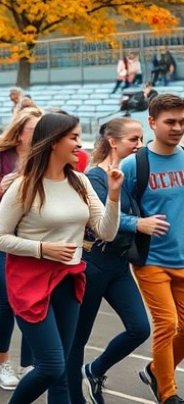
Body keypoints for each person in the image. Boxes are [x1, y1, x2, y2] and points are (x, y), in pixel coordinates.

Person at [0, 111, 121, 404]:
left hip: (69, 279)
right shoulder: (23, 186)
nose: (80, 144)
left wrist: (114, 195)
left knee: (61, 375)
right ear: (53, 142)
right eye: (74, 137)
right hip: (30, 284)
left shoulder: (80, 182)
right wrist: (42, 248)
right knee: (51, 367)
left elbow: (106, 232)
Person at [67, 117, 152, 404]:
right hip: (94, 264)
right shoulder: (95, 178)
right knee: (77, 339)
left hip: (118, 266)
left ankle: (95, 370)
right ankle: (73, 397)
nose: (139, 145)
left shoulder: (127, 173)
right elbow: (105, 221)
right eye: (134, 140)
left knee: (140, 328)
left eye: (141, 139)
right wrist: (139, 224)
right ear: (113, 142)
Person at [120, 94, 184, 404]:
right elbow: (107, 215)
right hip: (151, 260)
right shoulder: (133, 165)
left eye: (182, 122)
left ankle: (157, 369)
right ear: (152, 122)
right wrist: (137, 224)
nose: (177, 128)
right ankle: (167, 393)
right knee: (167, 322)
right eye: (170, 122)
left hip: (183, 259)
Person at [0, 108, 42, 387]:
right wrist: (3, 190)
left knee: (31, 301)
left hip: (30, 240)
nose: (42, 135)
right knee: (9, 300)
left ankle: (29, 364)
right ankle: (3, 364)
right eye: (35, 129)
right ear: (19, 134)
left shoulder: (46, 160)